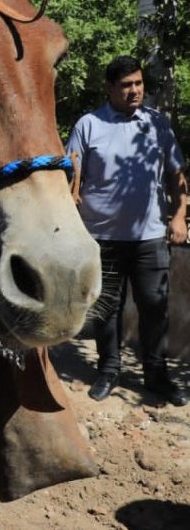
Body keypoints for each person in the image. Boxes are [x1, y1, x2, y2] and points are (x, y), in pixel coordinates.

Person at [67, 55, 188, 406]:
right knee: (106, 308)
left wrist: (179, 217)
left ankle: (156, 375)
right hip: (100, 238)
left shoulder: (158, 125)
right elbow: (71, 177)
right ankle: (108, 370)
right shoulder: (88, 125)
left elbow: (176, 176)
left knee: (154, 304)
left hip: (149, 237)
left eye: (138, 83)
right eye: (126, 85)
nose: (134, 90)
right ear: (110, 89)